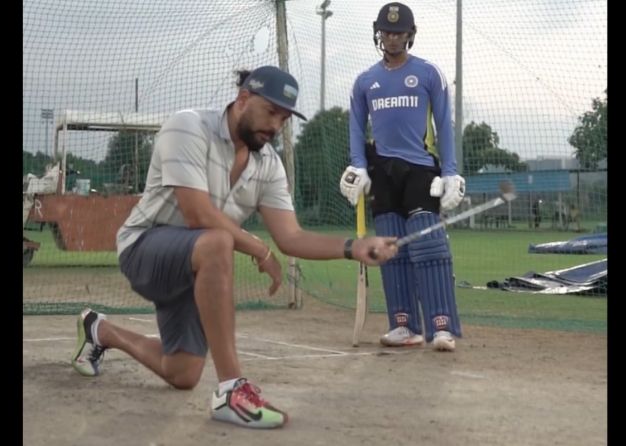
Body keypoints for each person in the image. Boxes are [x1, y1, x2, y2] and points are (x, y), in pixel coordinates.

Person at [70, 66, 398, 429]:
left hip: (194, 267)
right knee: (218, 241)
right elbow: (197, 213)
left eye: (285, 119)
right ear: (243, 99)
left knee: (182, 373)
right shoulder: (188, 127)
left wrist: (354, 247)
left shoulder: (268, 164)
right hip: (144, 248)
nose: (276, 126)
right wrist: (259, 248)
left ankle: (99, 330)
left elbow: (291, 237)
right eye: (271, 112)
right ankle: (230, 390)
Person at [339, 2, 464, 351]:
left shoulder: (428, 74)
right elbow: (355, 128)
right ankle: (403, 324)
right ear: (379, 34)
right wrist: (358, 166)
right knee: (389, 249)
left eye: (399, 32)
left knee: (429, 247)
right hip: (382, 172)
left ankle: (442, 326)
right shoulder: (365, 81)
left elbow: (444, 126)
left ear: (410, 34)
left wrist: (451, 172)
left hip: (421, 170)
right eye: (387, 31)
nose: (392, 37)